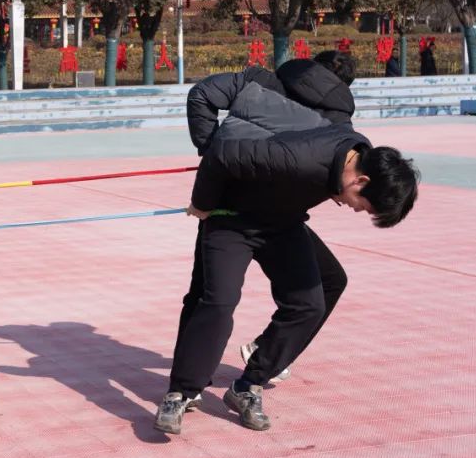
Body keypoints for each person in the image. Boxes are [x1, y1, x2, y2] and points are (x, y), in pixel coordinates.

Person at [154, 68, 419, 435]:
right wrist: (203, 204)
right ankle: (182, 392)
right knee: (218, 301)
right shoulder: (298, 158)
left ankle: (249, 385)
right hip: (232, 219)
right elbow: (222, 155)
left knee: (309, 303)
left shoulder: (356, 154)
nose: (357, 210)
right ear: (360, 181)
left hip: (282, 223)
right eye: (364, 205)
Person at [185, 50, 358, 385]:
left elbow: (202, 93)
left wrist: (211, 150)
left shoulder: (261, 79)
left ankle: (195, 381)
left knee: (207, 295)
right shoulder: (337, 119)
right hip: (266, 213)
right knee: (328, 282)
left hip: (237, 203)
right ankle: (246, 360)